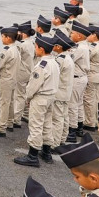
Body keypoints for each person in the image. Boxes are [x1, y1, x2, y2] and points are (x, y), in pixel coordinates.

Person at [13, 35, 59, 167]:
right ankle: (46, 152)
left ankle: (32, 155)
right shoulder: (54, 62)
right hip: (50, 97)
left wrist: (27, 98)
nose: (35, 49)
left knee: (36, 125)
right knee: (47, 124)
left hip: (40, 98)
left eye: (36, 47)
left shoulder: (42, 65)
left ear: (41, 48)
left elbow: (33, 86)